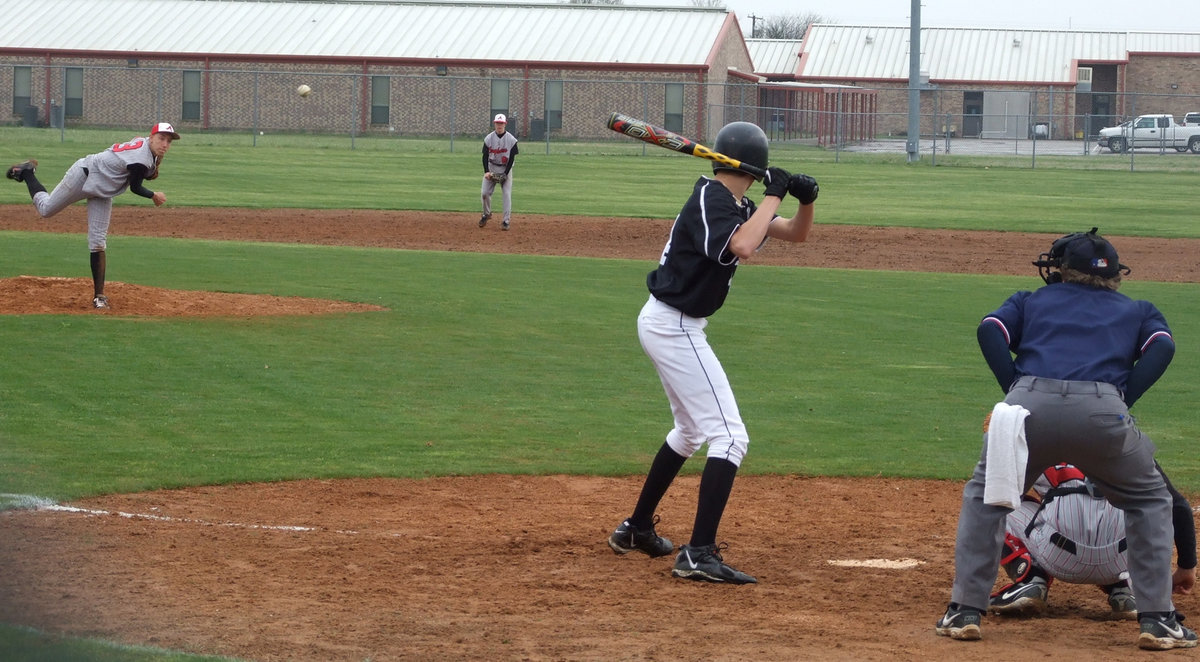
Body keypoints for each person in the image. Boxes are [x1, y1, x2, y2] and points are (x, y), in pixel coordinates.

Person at [935, 227, 1196, 650]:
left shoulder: (1030, 300)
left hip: (1025, 407)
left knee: (988, 498)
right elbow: (1162, 347)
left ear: (1063, 271)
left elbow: (989, 330)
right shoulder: (1139, 309)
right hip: (1102, 408)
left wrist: (1015, 387)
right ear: (1115, 274)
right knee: (1149, 500)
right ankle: (1158, 620)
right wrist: (1123, 396)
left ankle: (964, 610)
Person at [606, 121, 819, 584]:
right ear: (755, 164)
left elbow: (794, 235)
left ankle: (637, 528)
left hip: (673, 323)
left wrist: (806, 200)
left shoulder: (735, 202)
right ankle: (698, 553)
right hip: (674, 325)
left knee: (689, 431)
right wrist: (774, 194)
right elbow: (742, 245)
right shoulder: (712, 199)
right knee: (731, 436)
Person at [6, 122, 180, 309]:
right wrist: (153, 195)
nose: (165, 144)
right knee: (46, 209)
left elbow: (135, 166)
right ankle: (27, 173)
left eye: (169, 141)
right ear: (151, 137)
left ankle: (99, 296)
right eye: (161, 138)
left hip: (104, 189)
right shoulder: (142, 158)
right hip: (84, 175)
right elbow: (136, 187)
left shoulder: (145, 149)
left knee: (98, 241)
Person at [988, 462, 1195, 619]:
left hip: (1058, 558)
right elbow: (1178, 507)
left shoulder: (1038, 436)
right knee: (1143, 507)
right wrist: (1187, 567)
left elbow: (1004, 491)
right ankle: (1125, 586)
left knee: (996, 501)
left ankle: (1031, 577)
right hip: (1120, 561)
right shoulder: (1126, 441)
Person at [479, 113, 517, 231]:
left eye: (501, 123)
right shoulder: (489, 138)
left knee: (506, 194)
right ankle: (486, 214)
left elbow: (511, 158)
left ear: (505, 124)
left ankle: (506, 221)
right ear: (494, 124)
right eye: (497, 123)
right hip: (492, 167)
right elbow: (485, 156)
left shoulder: (511, 139)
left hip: (506, 168)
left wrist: (505, 173)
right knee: (485, 193)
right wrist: (486, 172)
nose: (499, 125)